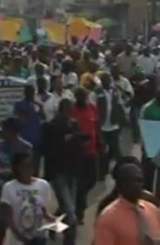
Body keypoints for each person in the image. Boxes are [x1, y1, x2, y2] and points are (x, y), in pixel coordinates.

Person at [42, 98, 87, 245]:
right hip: (58, 172)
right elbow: (49, 150)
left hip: (72, 171)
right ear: (61, 110)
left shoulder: (73, 124)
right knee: (71, 213)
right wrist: (68, 139)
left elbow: (79, 146)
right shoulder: (50, 126)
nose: (70, 113)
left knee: (67, 207)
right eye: (68, 110)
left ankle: (54, 226)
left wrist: (79, 140)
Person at [94, 163, 160, 245]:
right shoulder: (108, 218)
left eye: (140, 180)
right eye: (132, 181)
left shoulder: (153, 210)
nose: (137, 185)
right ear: (120, 185)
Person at [0, 118, 33, 245]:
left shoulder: (26, 147)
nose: (3, 132)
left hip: (19, 188)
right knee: (1, 222)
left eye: (5, 130)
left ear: (14, 131)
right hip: (0, 186)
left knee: (22, 220)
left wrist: (12, 172)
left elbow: (28, 168)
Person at [0, 150, 55, 245]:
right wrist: (20, 237)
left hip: (39, 237)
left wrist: (51, 218)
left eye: (30, 165)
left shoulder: (43, 185)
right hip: (19, 240)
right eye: (24, 166)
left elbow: (43, 209)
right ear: (17, 168)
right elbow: (8, 217)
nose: (28, 169)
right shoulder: (9, 187)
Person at [71, 87, 98, 223]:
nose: (83, 100)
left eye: (84, 97)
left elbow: (96, 126)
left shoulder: (92, 108)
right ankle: (78, 211)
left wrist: (100, 142)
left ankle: (79, 201)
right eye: (80, 97)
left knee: (92, 180)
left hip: (91, 150)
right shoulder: (72, 110)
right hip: (77, 153)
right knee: (80, 182)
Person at [14, 85, 45, 175]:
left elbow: (43, 116)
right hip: (25, 137)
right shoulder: (19, 104)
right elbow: (20, 117)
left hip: (37, 138)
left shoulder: (37, 104)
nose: (30, 94)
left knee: (36, 163)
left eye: (32, 92)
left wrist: (40, 106)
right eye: (29, 92)